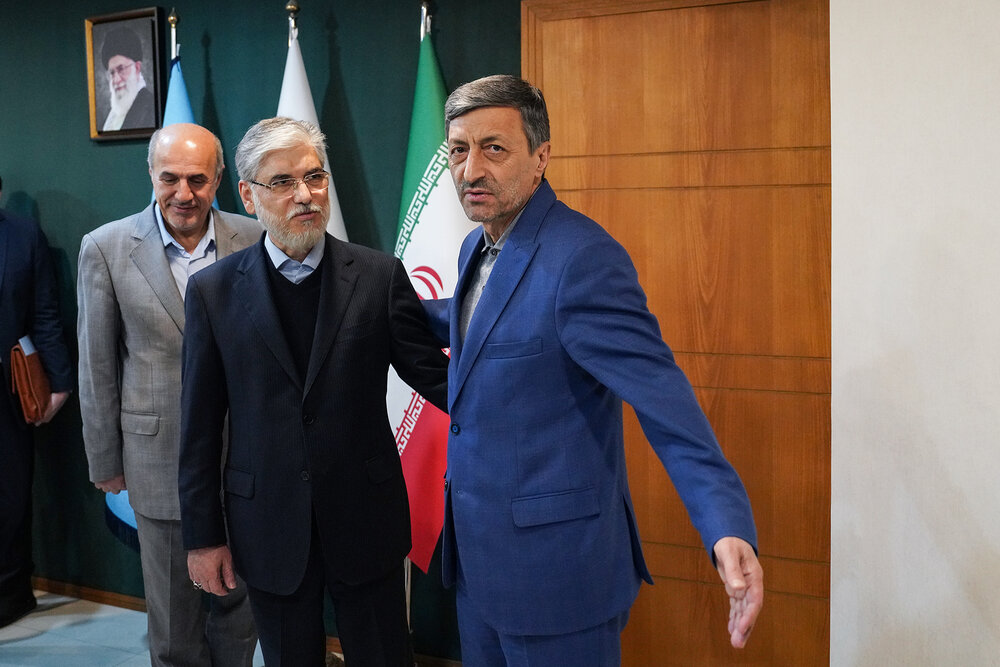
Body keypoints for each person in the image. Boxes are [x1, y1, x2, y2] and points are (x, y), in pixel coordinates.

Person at [423, 74, 765, 665]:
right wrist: (375, 298)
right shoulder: (475, 246)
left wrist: (725, 524)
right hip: (479, 572)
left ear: (541, 157)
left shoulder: (583, 260)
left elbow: (665, 402)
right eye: (458, 150)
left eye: (493, 148)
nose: (470, 170)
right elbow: (480, 321)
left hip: (559, 582)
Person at [178, 117, 449, 667]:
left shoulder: (378, 276)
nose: (305, 195)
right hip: (268, 525)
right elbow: (199, 428)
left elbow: (436, 378)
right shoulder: (213, 292)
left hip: (366, 519)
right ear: (248, 195)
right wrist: (203, 538)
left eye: (315, 176)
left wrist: (519, 405)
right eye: (282, 182)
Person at [77, 123, 260, 666]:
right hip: (158, 461)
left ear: (219, 179)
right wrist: (105, 460)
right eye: (170, 179)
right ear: (151, 175)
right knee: (176, 629)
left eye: (198, 180)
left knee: (241, 613)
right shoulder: (106, 247)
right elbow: (96, 365)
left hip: (248, 461)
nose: (184, 193)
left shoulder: (255, 238)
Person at [0, 176, 72, 629]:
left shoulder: (23, 234)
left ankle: (10, 593)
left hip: (9, 385)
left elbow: (45, 312)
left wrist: (59, 382)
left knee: (11, 492)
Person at [100, 25, 155, 131]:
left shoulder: (150, 108)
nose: (116, 79)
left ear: (137, 68)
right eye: (112, 73)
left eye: (121, 69)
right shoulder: (111, 116)